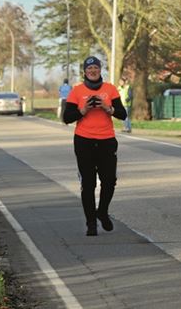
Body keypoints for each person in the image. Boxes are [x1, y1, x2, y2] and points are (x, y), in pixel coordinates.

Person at [63, 56, 127, 236]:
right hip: (84, 141)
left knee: (109, 181)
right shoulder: (77, 91)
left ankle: (102, 212)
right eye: (89, 68)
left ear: (100, 70)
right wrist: (83, 110)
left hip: (107, 140)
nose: (93, 71)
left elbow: (123, 114)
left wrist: (108, 108)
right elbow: (67, 118)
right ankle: (91, 223)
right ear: (85, 71)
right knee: (88, 184)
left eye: (96, 68)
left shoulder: (110, 89)